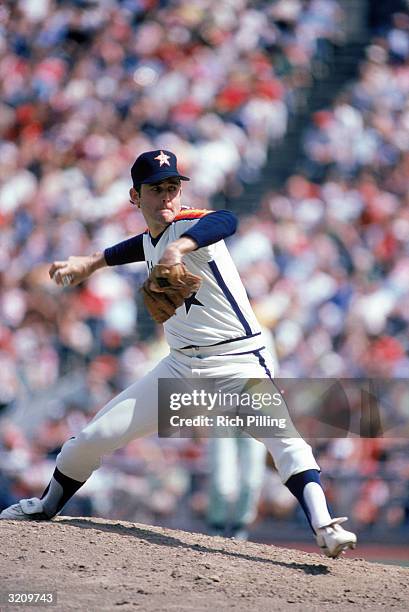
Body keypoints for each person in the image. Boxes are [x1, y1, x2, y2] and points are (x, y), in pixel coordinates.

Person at [0, 149, 357, 558]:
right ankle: (46, 506)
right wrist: (92, 263)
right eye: (157, 189)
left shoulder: (192, 227)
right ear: (135, 197)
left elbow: (227, 220)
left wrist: (179, 249)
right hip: (181, 368)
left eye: (173, 187)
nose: (168, 196)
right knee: (91, 438)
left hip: (237, 364)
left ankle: (324, 525)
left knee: (285, 440)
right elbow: (141, 246)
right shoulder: (156, 238)